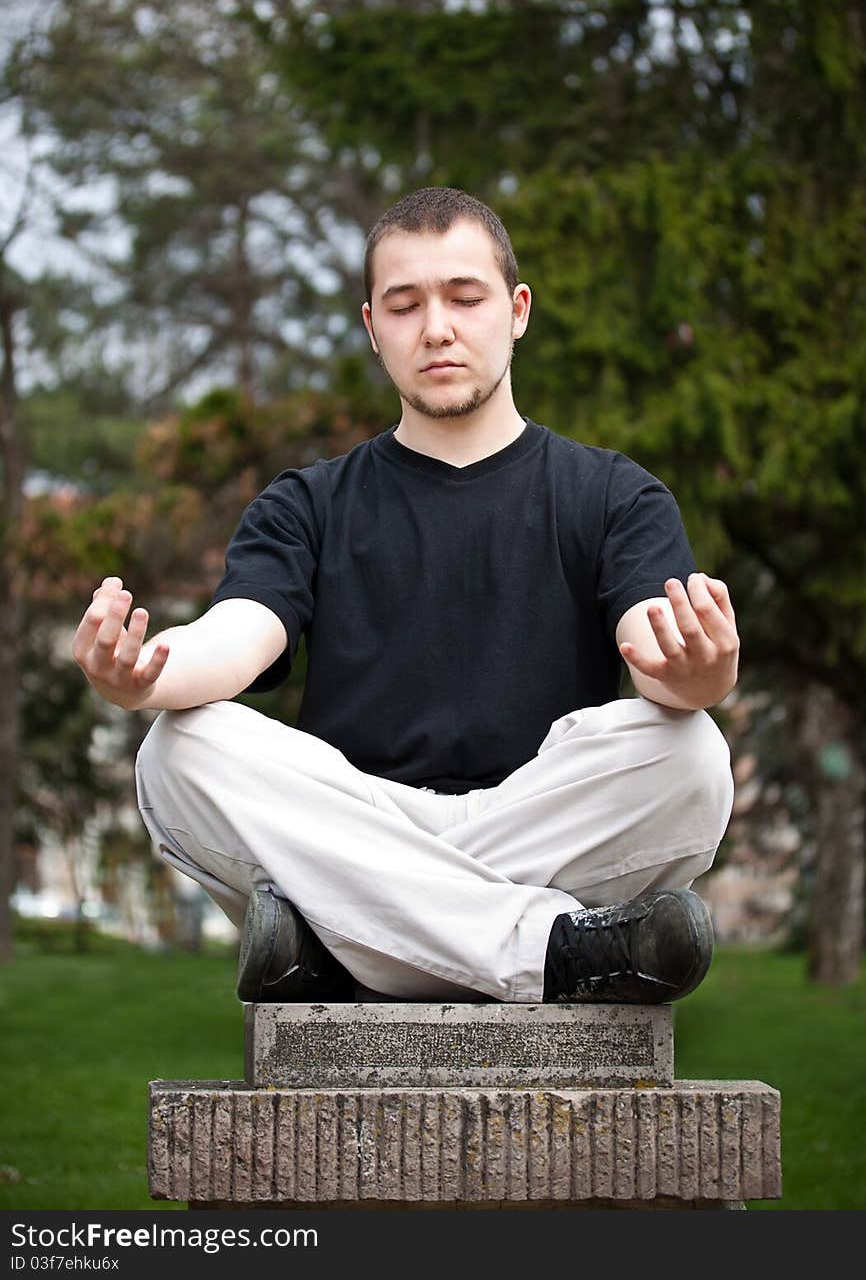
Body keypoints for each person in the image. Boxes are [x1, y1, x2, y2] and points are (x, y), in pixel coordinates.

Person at [72, 186, 737, 1007]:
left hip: (532, 817)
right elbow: (241, 632)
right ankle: (554, 951)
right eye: (405, 304)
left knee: (692, 755)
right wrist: (146, 671)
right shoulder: (307, 503)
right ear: (372, 327)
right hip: (354, 814)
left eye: (465, 297)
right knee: (178, 752)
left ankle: (343, 947)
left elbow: (661, 656)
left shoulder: (613, 495)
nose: (437, 328)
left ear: (517, 310)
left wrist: (699, 674)